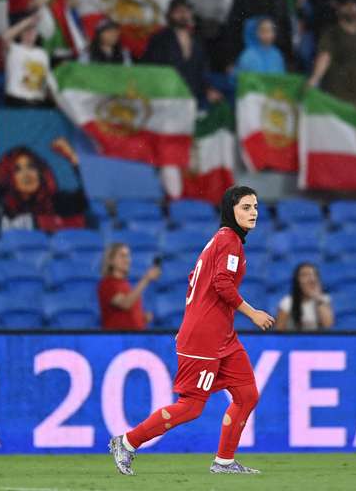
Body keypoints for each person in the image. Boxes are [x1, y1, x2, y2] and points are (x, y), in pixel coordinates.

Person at [109, 185, 275, 476]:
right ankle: (127, 442)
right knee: (192, 407)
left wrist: (194, 315)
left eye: (256, 207)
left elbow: (195, 279)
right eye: (246, 207)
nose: (253, 213)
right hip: (205, 337)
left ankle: (224, 462)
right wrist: (253, 313)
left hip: (222, 335)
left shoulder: (223, 240)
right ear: (231, 210)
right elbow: (221, 284)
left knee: (247, 394)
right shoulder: (229, 240)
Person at [142, 0, 218, 107]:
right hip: (166, 98)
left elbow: (203, 69)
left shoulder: (197, 40)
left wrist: (208, 89)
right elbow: (151, 69)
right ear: (170, 15)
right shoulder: (159, 39)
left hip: (192, 98)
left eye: (186, 11)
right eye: (178, 11)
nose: (183, 15)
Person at [0, 142, 88, 232]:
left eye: (31, 166)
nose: (27, 174)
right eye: (17, 170)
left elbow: (89, 196)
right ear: (8, 177)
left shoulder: (57, 201)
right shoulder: (4, 210)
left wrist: (72, 157)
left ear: (40, 172)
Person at [225, 0, 293, 69]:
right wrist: (231, 60)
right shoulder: (242, 1)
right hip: (248, 60)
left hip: (275, 59)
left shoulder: (280, 1)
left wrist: (289, 60)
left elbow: (286, 31)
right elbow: (233, 31)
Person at [98, 243, 161, 331]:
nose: (127, 260)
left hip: (134, 336)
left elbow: (126, 312)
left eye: (128, 256)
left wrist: (142, 318)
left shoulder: (125, 284)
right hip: (118, 337)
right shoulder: (106, 284)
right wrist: (146, 279)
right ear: (111, 260)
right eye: (122, 256)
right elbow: (125, 303)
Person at [3, 12, 55, 107]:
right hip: (17, 101)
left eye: (33, 30)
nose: (30, 33)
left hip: (39, 102)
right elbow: (5, 37)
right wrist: (28, 21)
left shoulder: (43, 54)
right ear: (20, 33)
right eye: (26, 30)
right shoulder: (14, 49)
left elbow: (47, 80)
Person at [275, 263, 334, 331]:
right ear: (297, 281)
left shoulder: (323, 300)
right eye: (305, 275)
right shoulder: (287, 302)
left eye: (314, 275)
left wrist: (318, 298)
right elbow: (279, 331)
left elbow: (328, 325)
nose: (311, 279)